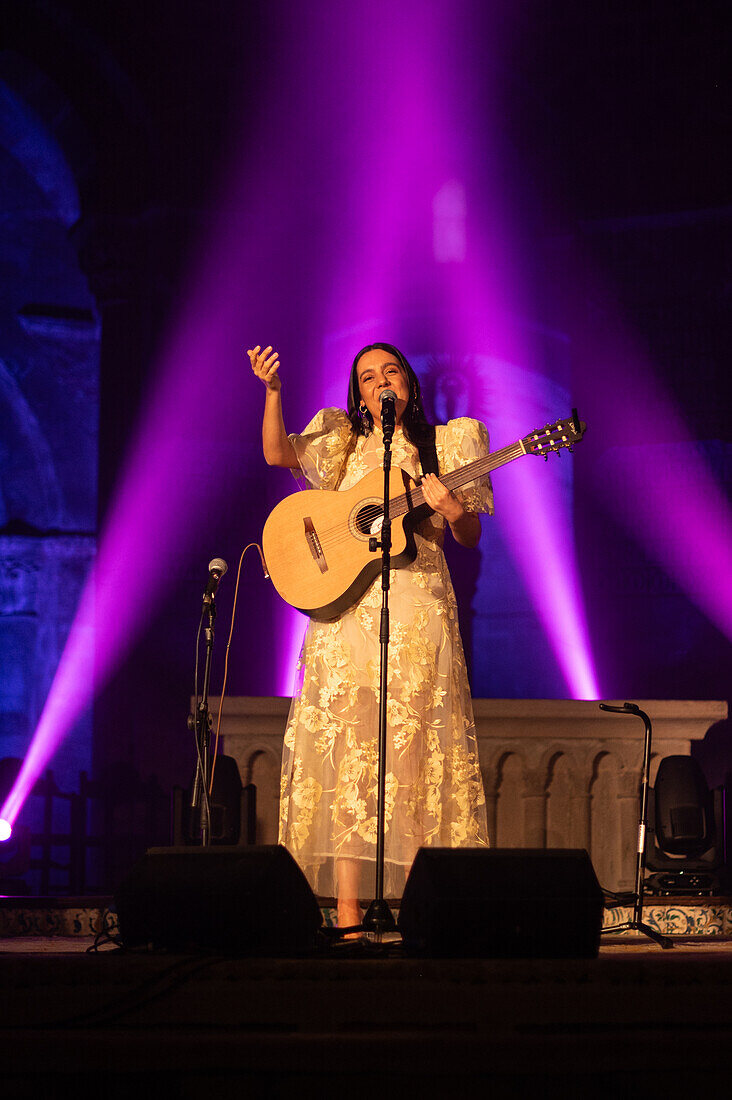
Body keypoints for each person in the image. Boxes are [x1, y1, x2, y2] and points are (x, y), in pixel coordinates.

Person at [249, 341, 492, 932]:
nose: (380, 382)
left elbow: (469, 538)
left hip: (417, 611)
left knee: (412, 755)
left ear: (407, 382)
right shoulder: (343, 442)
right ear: (358, 394)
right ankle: (348, 911)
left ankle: (420, 909)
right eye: (366, 377)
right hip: (346, 614)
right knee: (350, 757)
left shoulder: (448, 444)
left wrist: (451, 508)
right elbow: (277, 453)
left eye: (390, 372)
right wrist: (273, 392)